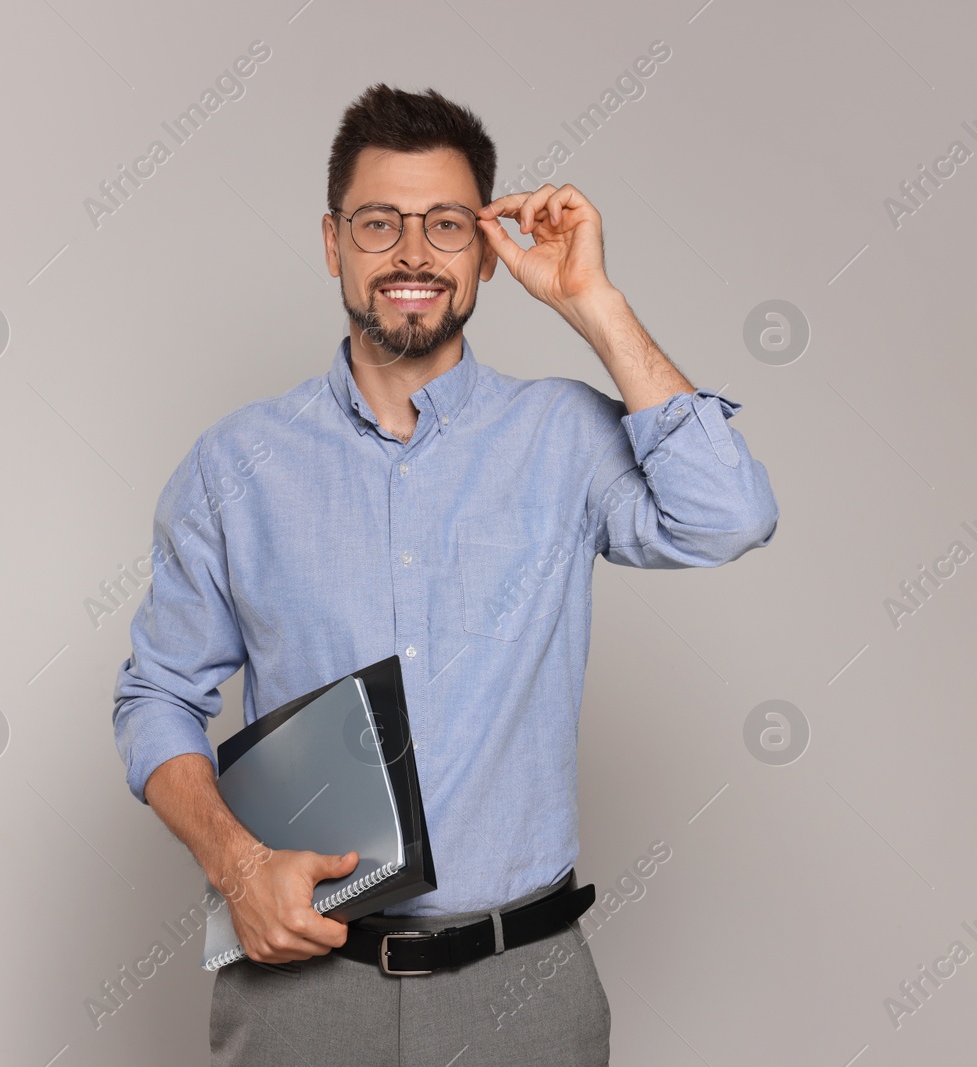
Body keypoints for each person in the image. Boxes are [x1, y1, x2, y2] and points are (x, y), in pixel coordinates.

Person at [110, 84, 779, 1066]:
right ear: (334, 242)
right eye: (381, 223)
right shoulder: (234, 464)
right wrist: (237, 861)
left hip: (527, 990)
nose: (414, 254)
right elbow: (155, 696)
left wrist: (593, 303)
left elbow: (729, 515)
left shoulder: (563, 435)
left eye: (446, 225)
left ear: (487, 249)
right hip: (302, 992)